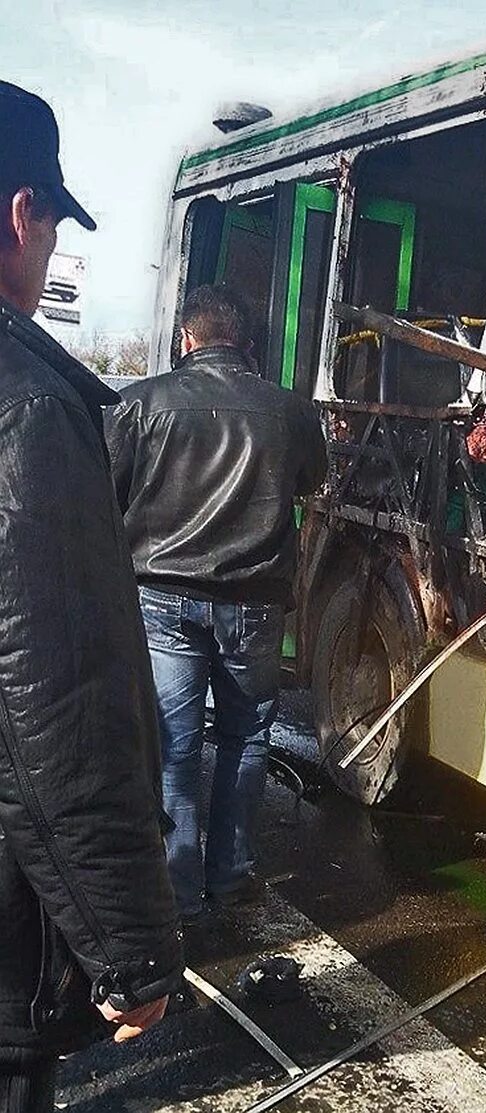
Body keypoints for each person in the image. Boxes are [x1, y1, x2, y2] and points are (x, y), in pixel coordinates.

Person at [0, 82, 183, 1112]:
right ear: (23, 215)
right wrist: (127, 948)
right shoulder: (27, 408)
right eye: (53, 227)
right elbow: (53, 706)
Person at [105, 285, 325, 921]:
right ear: (247, 346)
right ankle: (229, 876)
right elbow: (310, 482)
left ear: (187, 340)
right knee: (245, 739)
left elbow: (108, 491)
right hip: (254, 602)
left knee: (173, 746)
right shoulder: (290, 411)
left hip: (164, 597)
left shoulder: (140, 404)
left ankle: (177, 886)